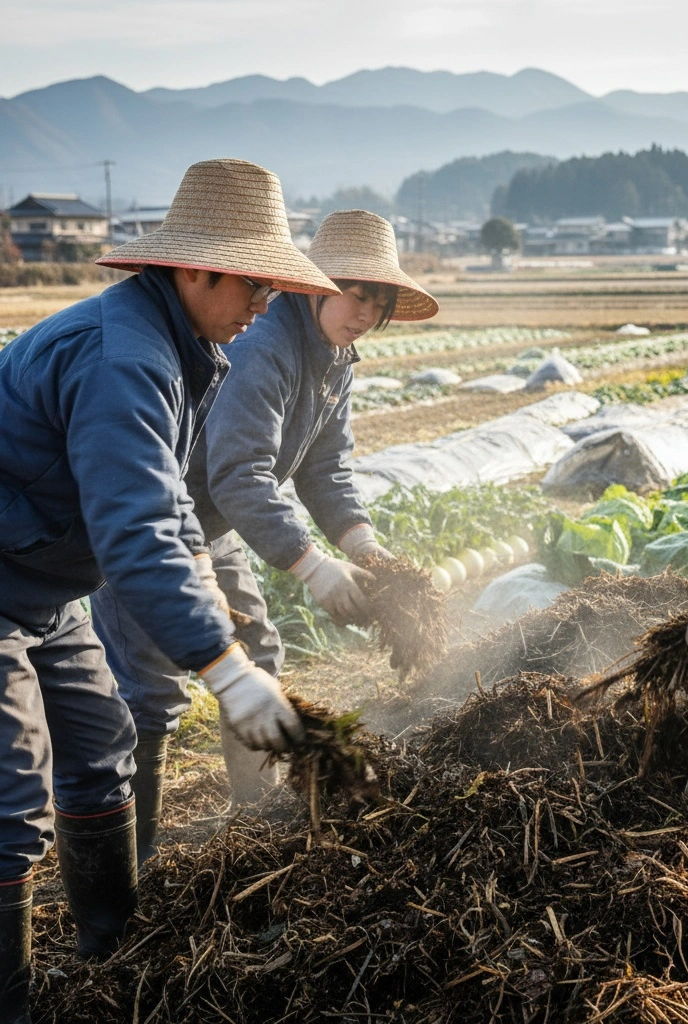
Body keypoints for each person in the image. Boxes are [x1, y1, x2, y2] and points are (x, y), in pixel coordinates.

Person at [0, 158, 338, 1022]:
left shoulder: (183, 348)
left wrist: (212, 604)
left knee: (102, 740)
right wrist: (224, 670)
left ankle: (107, 957)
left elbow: (174, 505)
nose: (264, 302)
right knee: (13, 791)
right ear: (194, 268)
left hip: (45, 585)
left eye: (273, 285)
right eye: (253, 282)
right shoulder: (125, 358)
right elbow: (135, 528)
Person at [90, 209, 439, 859]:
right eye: (356, 294)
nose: (365, 314)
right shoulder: (264, 347)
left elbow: (325, 468)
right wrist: (313, 565)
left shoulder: (334, 358)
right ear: (317, 287)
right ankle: (133, 861)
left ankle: (254, 824)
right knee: (151, 689)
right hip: (152, 517)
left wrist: (364, 547)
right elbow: (239, 474)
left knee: (258, 653)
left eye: (380, 302)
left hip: (212, 524)